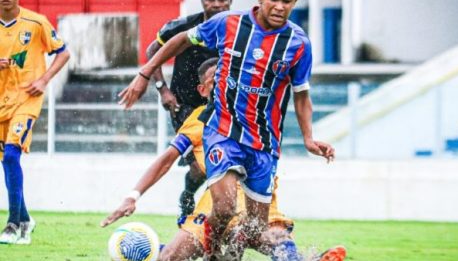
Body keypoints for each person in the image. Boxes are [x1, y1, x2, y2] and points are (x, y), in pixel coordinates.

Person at [118, 0, 335, 258]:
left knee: (256, 229)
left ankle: (224, 252)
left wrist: (308, 138)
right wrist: (145, 75)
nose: (279, 6)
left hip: (263, 145)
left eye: (287, 1)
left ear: (295, 2)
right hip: (223, 133)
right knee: (223, 207)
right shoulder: (227, 25)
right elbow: (180, 39)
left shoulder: (298, 44)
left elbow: (302, 94)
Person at [102, 59, 346, 261]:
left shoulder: (256, 113)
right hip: (216, 202)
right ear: (203, 90)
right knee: (171, 257)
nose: (222, 84)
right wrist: (132, 196)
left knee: (277, 240)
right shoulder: (199, 120)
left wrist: (309, 139)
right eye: (214, 80)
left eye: (227, 78)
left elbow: (297, 92)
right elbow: (167, 159)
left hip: (257, 198)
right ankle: (148, 250)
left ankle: (299, 259)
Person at [146, 0, 232, 218]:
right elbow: (152, 50)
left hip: (223, 110)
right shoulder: (183, 27)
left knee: (214, 166)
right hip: (184, 108)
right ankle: (191, 202)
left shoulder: (237, 31)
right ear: (203, 1)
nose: (216, 4)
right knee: (201, 165)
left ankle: (200, 207)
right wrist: (163, 89)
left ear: (230, 2)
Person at [0, 0, 70, 245]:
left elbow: (62, 53)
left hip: (26, 99)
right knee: (9, 163)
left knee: (10, 154)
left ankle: (13, 225)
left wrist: (43, 80)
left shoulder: (36, 22)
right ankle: (26, 219)